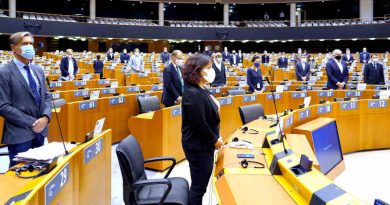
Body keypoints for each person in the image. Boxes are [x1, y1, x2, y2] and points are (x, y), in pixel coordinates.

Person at [0, 31, 52, 167]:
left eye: (31, 43)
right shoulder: (4, 72)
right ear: (13, 48)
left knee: (39, 172)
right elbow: (3, 106)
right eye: (25, 44)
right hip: (20, 134)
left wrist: (46, 117)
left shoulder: (38, 70)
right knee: (20, 177)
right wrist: (34, 123)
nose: (29, 47)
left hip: (40, 132)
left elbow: (46, 96)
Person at [181, 53, 224, 205]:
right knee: (198, 188)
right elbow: (200, 124)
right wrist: (215, 140)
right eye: (209, 68)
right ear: (197, 71)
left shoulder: (200, 88)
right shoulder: (192, 94)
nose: (212, 71)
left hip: (202, 144)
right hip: (198, 147)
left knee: (200, 186)